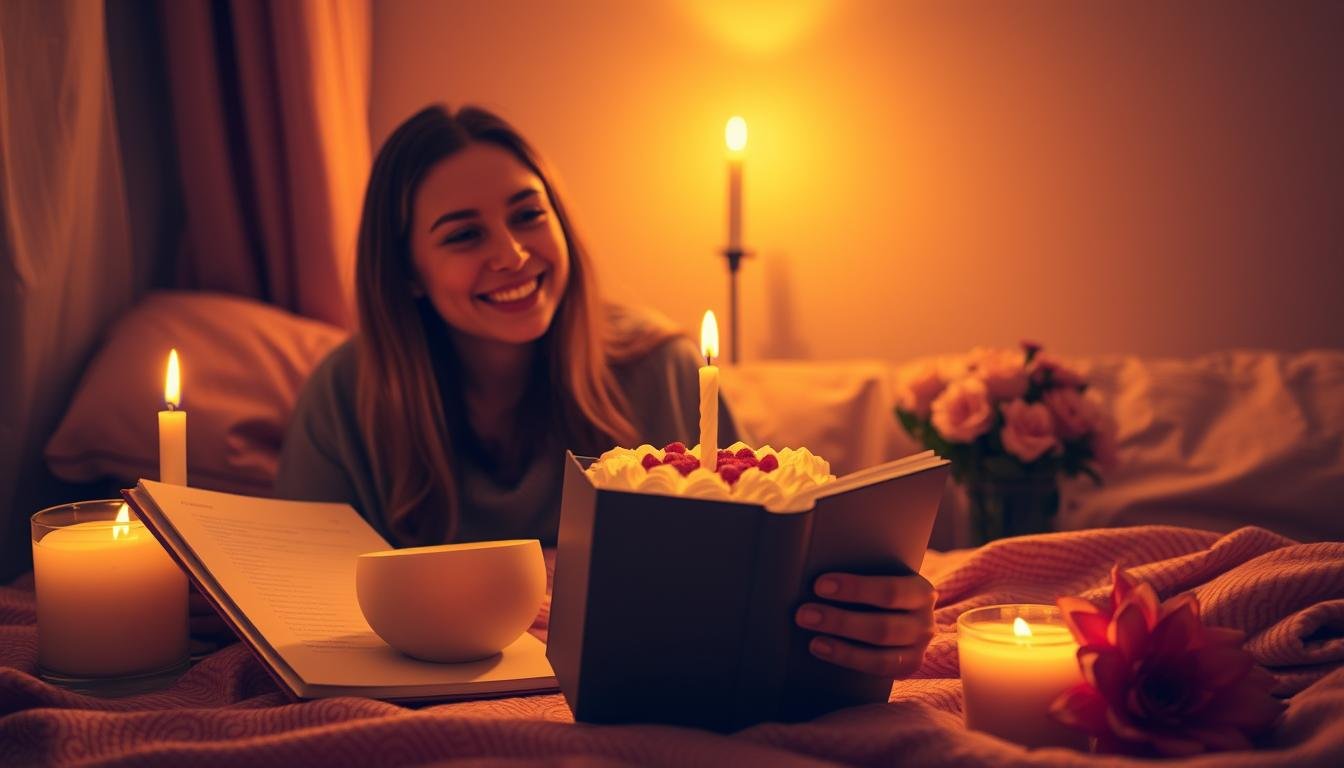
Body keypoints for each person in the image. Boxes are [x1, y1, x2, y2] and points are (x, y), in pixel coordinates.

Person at [272, 104, 935, 680]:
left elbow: (769, 569)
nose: (512, 253)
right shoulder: (346, 393)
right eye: (465, 234)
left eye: (528, 215)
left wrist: (868, 609)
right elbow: (297, 600)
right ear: (408, 272)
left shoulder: (661, 368)